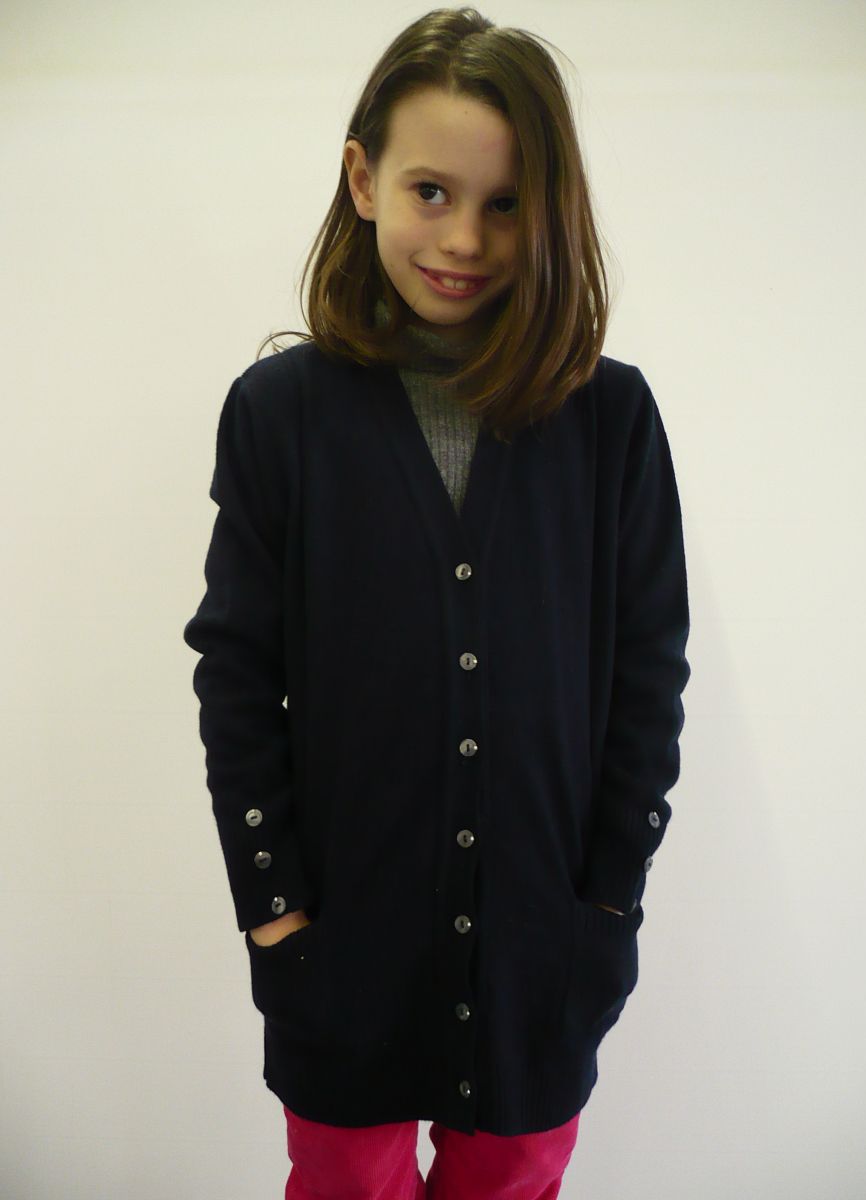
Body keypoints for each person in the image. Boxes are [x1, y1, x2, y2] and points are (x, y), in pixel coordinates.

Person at [182, 7, 691, 1198]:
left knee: (514, 1178)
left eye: (505, 204)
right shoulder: (280, 417)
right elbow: (237, 674)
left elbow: (648, 677)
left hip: (542, 954)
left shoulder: (611, 421)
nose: (465, 237)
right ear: (363, 180)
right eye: (430, 191)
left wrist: (608, 904)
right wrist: (274, 915)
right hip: (338, 945)